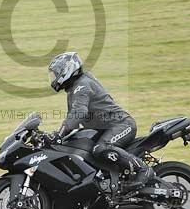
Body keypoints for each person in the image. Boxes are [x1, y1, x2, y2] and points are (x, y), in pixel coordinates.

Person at [47, 51, 153, 192]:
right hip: (107, 128)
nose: (54, 78)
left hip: (121, 124)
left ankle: (143, 169)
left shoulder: (82, 85)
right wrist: (57, 136)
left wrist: (59, 134)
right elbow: (72, 119)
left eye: (56, 73)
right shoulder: (74, 89)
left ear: (67, 70)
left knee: (101, 148)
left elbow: (79, 113)